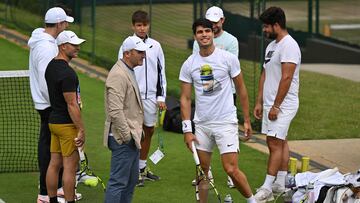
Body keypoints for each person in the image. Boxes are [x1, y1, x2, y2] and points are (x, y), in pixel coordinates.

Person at [180, 18, 256, 203]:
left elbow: (242, 89)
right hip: (202, 125)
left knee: (231, 169)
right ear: (195, 36)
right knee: (202, 170)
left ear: (213, 32)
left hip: (225, 123)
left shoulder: (228, 59)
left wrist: (246, 119)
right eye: (200, 32)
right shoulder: (189, 64)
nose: (204, 34)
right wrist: (187, 130)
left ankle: (252, 201)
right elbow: (185, 98)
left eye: (207, 31)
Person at [27, 7, 77, 203]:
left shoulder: (43, 41)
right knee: (50, 149)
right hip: (51, 105)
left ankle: (54, 189)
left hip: (47, 104)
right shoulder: (47, 48)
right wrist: (61, 103)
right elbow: (47, 80)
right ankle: (46, 193)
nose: (67, 26)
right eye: (65, 23)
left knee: (50, 147)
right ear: (59, 24)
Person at [253, 7, 301, 203]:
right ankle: (280, 184)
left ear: (276, 25)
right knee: (281, 141)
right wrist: (259, 101)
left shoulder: (289, 45)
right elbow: (265, 74)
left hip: (283, 105)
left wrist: (276, 106)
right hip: (271, 103)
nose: (264, 30)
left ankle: (267, 189)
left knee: (273, 143)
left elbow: (287, 77)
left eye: (266, 26)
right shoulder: (272, 45)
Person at [118, 10, 167, 187]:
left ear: (148, 25)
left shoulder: (156, 46)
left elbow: (161, 73)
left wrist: (161, 96)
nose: (142, 28)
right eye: (138, 25)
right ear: (133, 26)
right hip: (132, 98)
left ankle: (142, 168)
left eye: (144, 25)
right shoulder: (126, 44)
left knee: (148, 131)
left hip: (151, 98)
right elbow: (120, 71)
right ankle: (131, 171)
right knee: (133, 133)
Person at [192, 5, 239, 188]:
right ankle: (206, 173)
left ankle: (231, 174)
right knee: (204, 134)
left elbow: (229, 69)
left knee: (228, 133)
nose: (213, 26)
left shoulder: (231, 41)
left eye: (216, 22)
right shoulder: (200, 39)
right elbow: (198, 64)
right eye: (210, 22)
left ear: (222, 21)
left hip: (227, 94)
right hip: (205, 94)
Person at [104, 36, 147, 203]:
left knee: (130, 181)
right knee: (118, 182)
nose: (143, 55)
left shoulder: (128, 70)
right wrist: (127, 135)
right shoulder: (118, 74)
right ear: (127, 53)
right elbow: (115, 110)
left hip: (131, 137)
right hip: (123, 138)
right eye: (139, 52)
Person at [44, 30, 86, 203]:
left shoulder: (50, 66)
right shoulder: (68, 74)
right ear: (62, 46)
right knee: (70, 167)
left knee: (54, 163)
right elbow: (71, 104)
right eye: (74, 45)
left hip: (53, 122)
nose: (78, 48)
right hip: (66, 126)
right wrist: (81, 129)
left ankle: (51, 200)